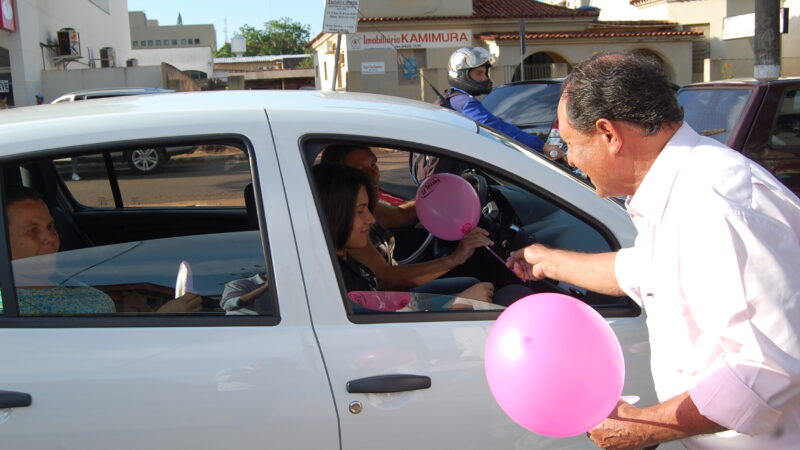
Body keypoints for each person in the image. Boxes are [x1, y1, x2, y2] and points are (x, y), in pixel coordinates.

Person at [506, 52, 800, 448]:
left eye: (571, 144)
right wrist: (549, 261)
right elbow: (646, 271)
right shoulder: (678, 190)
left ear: (609, 134)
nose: (570, 159)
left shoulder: (715, 203)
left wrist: (646, 426)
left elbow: (769, 366)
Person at [312, 163, 497, 311]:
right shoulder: (337, 280)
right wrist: (456, 303)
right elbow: (381, 319)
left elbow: (386, 303)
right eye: (360, 211)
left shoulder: (344, 260)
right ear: (333, 213)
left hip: (391, 305)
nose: (371, 219)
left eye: (368, 209)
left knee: (474, 285)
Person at [6, 187, 202, 315]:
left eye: (50, 226)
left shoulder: (53, 276)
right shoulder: (14, 308)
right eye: (33, 231)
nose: (50, 237)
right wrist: (161, 321)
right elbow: (89, 358)